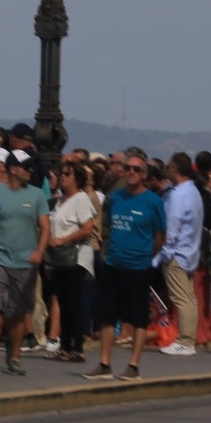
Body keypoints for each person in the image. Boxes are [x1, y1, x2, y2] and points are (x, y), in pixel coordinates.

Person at [84, 151, 165, 382]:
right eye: (128, 168)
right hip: (113, 265)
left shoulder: (153, 201)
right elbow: (109, 226)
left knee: (138, 318)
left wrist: (147, 255)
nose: (131, 172)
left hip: (139, 267)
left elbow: (160, 237)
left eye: (137, 169)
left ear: (145, 175)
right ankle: (104, 363)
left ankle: (133, 365)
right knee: (107, 316)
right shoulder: (116, 198)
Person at [0, 149, 49, 375]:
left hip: (25, 262)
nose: (30, 171)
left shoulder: (37, 195)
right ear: (12, 169)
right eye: (26, 167)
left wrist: (39, 251)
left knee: (18, 313)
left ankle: (15, 355)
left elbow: (45, 227)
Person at [45, 161, 97, 363]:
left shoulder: (81, 199)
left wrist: (63, 240)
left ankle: (77, 347)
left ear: (77, 178)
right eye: (62, 173)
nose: (63, 176)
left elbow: (87, 228)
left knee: (74, 302)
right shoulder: (58, 201)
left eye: (68, 173)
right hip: (58, 258)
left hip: (75, 256)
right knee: (63, 301)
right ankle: (64, 346)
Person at [155, 154, 203, 357]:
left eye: (168, 166)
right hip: (190, 252)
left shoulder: (177, 195)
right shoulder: (193, 192)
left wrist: (159, 256)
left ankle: (185, 341)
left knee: (182, 299)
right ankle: (188, 339)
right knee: (189, 298)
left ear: (175, 170)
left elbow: (171, 231)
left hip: (177, 254)